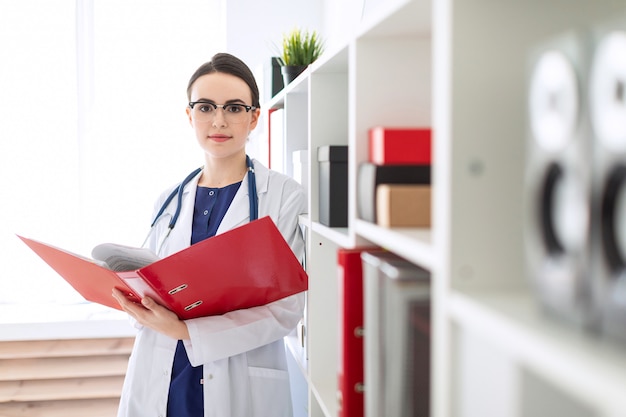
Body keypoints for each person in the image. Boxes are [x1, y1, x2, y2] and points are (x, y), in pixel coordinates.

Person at [112, 52, 307, 417]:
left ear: (254, 118)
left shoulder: (283, 196)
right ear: (190, 116)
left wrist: (187, 332)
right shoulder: (168, 200)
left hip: (237, 383)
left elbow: (286, 310)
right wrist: (134, 304)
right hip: (163, 378)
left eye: (234, 108)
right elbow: (148, 286)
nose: (219, 120)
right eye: (205, 107)